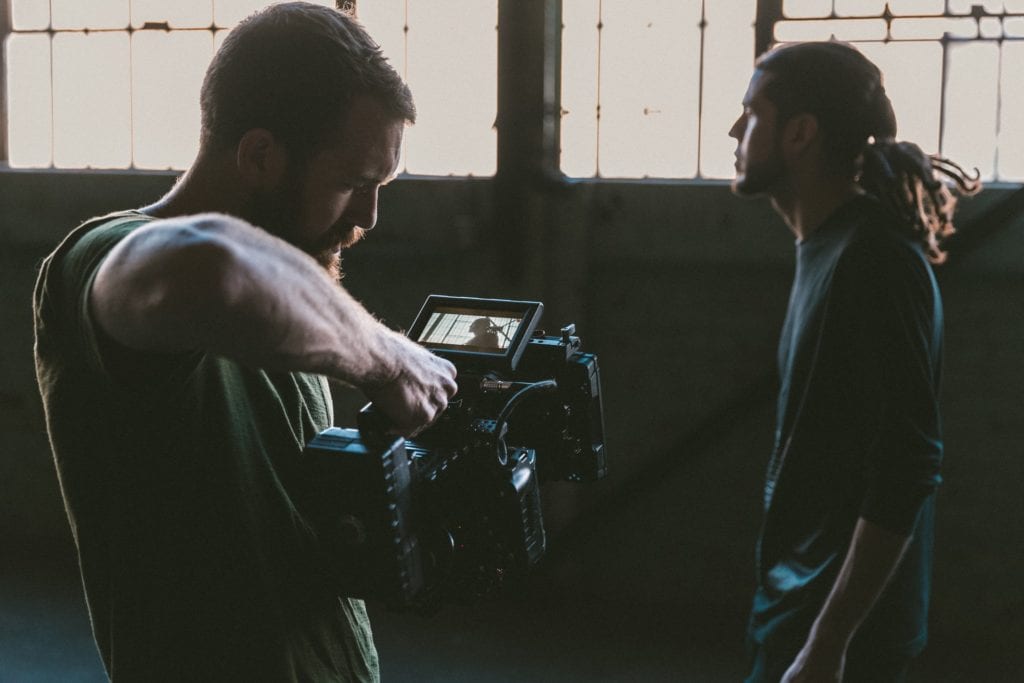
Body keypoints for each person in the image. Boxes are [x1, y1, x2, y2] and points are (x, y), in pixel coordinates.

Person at [33, 3, 457, 681]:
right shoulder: (97, 259)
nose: (368, 217)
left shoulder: (289, 285)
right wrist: (389, 360)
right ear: (261, 155)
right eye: (352, 183)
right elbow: (214, 269)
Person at [728, 41, 978, 683]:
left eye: (752, 112)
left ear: (800, 133)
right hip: (795, 605)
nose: (735, 128)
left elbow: (908, 464)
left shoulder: (875, 261)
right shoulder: (828, 247)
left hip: (839, 635)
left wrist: (830, 641)